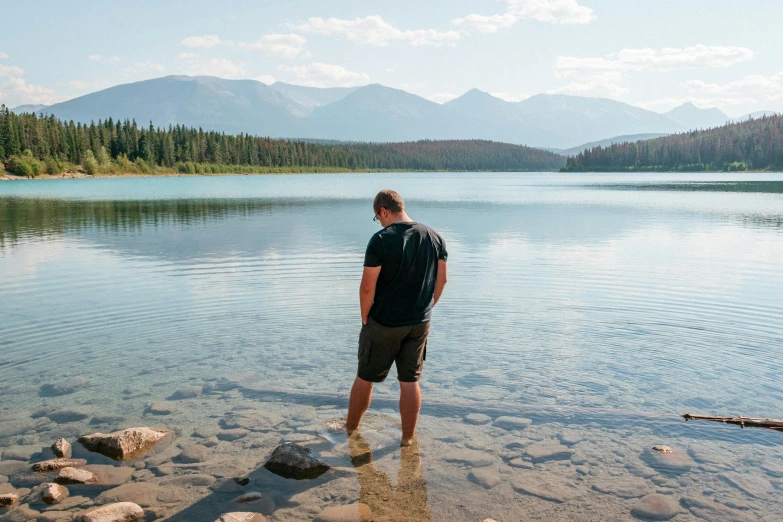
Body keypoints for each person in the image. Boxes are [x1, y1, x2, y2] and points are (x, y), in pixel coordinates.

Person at [345, 189, 448, 446]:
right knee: (410, 381)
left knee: (365, 377)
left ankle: (349, 431)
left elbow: (367, 286)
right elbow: (442, 280)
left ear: (383, 211)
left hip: (384, 323)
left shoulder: (381, 240)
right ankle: (407, 440)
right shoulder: (435, 237)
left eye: (377, 217)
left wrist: (365, 318)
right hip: (419, 323)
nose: (378, 222)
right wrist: (425, 308)